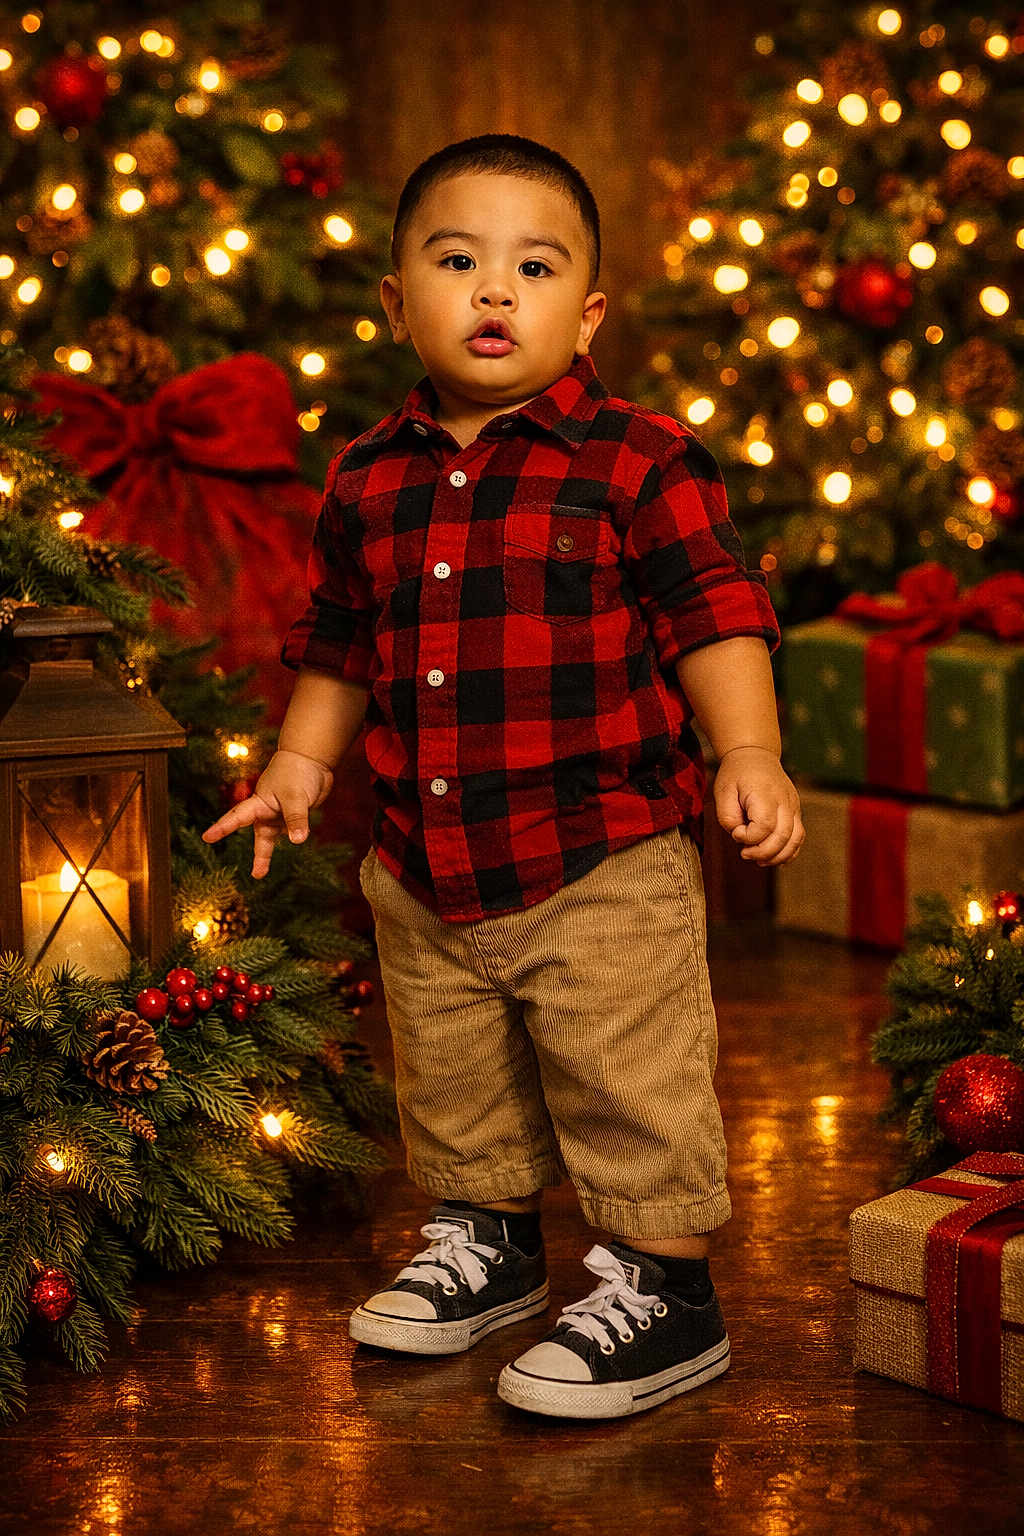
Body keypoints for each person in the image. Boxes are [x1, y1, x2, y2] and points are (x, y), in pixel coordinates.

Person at [203, 133, 804, 1421]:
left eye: (532, 268)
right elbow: (340, 641)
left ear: (585, 314)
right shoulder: (367, 474)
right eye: (458, 261)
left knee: (625, 1075)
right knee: (453, 1072)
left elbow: (714, 613)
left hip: (601, 855)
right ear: (395, 301)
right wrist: (300, 761)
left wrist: (744, 750)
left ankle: (665, 1286)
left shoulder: (638, 458)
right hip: (425, 864)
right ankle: (489, 1245)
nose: (493, 292)